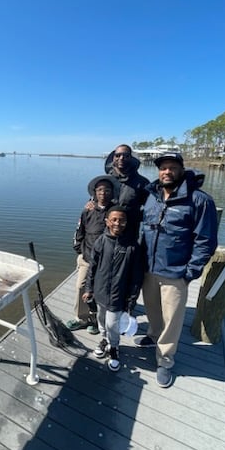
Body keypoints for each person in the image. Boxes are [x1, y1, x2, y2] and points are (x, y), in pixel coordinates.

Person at [135, 152, 218, 388]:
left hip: (176, 273)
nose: (167, 172)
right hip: (149, 268)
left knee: (172, 319)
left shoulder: (200, 200)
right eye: (163, 168)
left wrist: (190, 272)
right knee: (153, 310)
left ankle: (165, 360)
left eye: (172, 168)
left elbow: (206, 241)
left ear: (181, 170)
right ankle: (153, 336)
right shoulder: (152, 196)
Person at [83, 205, 143, 372]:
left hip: (119, 296)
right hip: (100, 293)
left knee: (112, 324)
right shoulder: (100, 241)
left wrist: (131, 300)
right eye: (114, 219)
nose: (118, 223)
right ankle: (104, 340)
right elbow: (92, 268)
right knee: (101, 321)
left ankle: (114, 347)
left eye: (121, 220)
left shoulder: (132, 246)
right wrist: (89, 289)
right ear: (107, 221)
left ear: (127, 223)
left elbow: (136, 277)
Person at [66, 175, 118, 334]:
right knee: (81, 286)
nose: (103, 193)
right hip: (87, 257)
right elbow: (79, 232)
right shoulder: (87, 210)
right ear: (95, 192)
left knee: (101, 289)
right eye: (100, 190)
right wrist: (79, 250)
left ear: (112, 192)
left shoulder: (115, 211)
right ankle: (82, 318)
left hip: (107, 260)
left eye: (107, 190)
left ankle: (96, 320)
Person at [103, 143, 150, 239]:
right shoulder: (105, 180)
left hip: (129, 235)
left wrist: (132, 217)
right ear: (113, 158)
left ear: (131, 158)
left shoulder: (142, 182)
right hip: (105, 233)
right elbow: (95, 203)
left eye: (126, 156)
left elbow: (151, 208)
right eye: (118, 155)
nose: (121, 158)